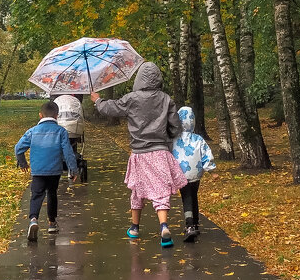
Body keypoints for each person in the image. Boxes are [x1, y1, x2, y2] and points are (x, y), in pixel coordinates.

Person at [91, 61, 186, 247]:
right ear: (158, 79)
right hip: (160, 152)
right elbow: (175, 125)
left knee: (137, 190)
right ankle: (164, 225)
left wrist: (97, 100)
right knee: (161, 191)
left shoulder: (131, 98)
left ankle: (134, 227)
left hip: (139, 154)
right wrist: (170, 136)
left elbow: (112, 108)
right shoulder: (166, 99)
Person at [15, 100, 78, 242]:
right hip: (54, 171)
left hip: (38, 170)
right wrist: (73, 169)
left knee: (36, 195)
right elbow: (68, 152)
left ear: (40, 115)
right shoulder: (61, 131)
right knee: (52, 194)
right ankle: (51, 223)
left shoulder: (32, 131)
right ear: (57, 116)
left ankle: (33, 220)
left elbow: (18, 148)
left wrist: (23, 162)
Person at [172, 106, 216, 241]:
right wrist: (211, 170)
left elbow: (169, 155)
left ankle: (190, 225)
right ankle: (196, 223)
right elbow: (206, 155)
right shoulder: (198, 139)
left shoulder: (174, 140)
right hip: (196, 174)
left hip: (181, 174)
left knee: (186, 197)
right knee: (193, 195)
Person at [54, 94, 86, 181]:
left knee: (62, 146)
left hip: (61, 121)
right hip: (74, 124)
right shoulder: (78, 91)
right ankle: (71, 166)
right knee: (71, 145)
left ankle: (67, 164)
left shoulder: (57, 93)